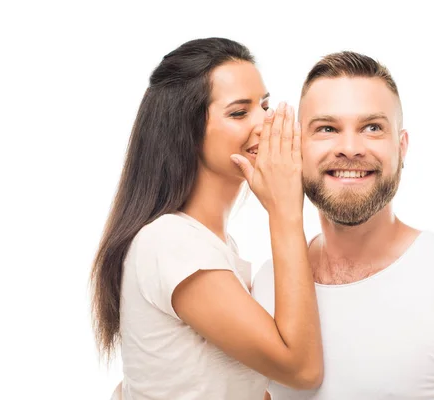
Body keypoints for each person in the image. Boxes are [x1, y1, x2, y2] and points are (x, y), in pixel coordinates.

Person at [252, 51, 434, 399]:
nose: (349, 148)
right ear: (297, 146)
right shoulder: (269, 283)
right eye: (327, 128)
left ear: (401, 148)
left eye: (372, 127)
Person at [90, 37, 323, 400]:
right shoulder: (172, 242)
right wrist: (285, 212)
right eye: (238, 112)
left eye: (263, 105)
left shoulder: (208, 244)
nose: (265, 122)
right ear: (187, 131)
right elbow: (301, 370)